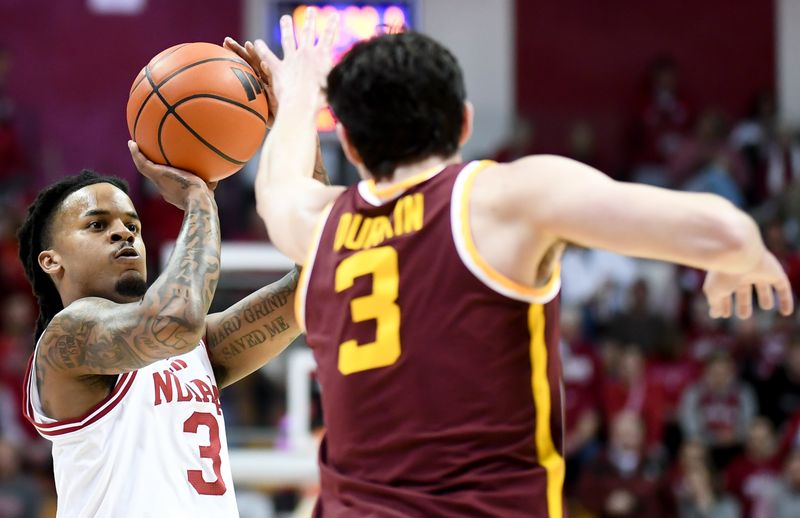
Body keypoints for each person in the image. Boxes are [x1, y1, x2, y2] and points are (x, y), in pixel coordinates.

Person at [248, 11, 794, 517]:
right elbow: (726, 230)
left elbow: (277, 190)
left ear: (348, 141)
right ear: (464, 123)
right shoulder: (501, 199)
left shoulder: (319, 226)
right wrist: (736, 257)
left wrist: (296, 96)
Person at [15, 139, 310, 516]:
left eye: (132, 225)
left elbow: (309, 286)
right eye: (97, 224)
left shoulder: (192, 347)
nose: (123, 233)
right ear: (51, 261)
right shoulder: (66, 338)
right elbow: (178, 320)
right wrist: (199, 201)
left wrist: (299, 113)